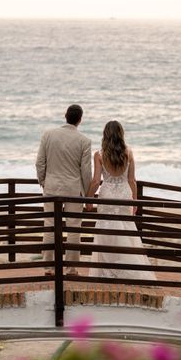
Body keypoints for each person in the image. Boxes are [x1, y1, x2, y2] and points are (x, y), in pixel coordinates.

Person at [86, 120, 156, 281]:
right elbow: (132, 181)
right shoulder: (128, 153)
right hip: (124, 194)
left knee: (105, 230)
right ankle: (125, 267)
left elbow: (96, 181)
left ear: (105, 135)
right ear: (121, 134)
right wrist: (135, 200)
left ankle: (108, 269)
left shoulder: (99, 155)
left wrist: (89, 199)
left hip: (108, 195)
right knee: (126, 229)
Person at [36, 104, 92, 276]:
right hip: (73, 190)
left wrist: (44, 182)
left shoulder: (48, 135)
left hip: (52, 188)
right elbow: (86, 171)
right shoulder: (84, 141)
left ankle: (49, 268)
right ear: (80, 120)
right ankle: (71, 269)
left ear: (65, 115)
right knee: (74, 228)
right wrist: (87, 194)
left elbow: (40, 163)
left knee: (50, 227)